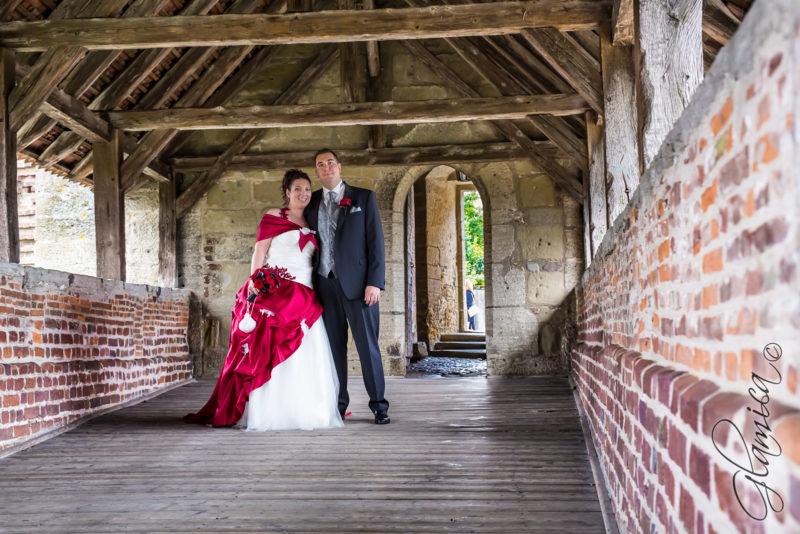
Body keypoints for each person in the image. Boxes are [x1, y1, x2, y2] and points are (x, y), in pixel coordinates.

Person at [185, 170, 342, 430]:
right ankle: (267, 410)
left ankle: (304, 409)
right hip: (274, 290)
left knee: (307, 352)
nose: (303, 194)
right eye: (298, 189)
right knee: (265, 347)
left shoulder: (314, 219)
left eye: (307, 189)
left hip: (304, 294)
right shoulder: (273, 216)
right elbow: (260, 250)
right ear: (287, 192)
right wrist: (255, 284)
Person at [304, 149, 390, 424]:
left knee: (368, 348)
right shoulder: (311, 202)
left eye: (330, 162)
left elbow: (376, 244)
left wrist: (374, 282)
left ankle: (379, 405)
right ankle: (338, 406)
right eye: (320, 165)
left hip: (359, 287)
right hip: (324, 284)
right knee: (333, 349)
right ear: (317, 172)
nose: (326, 167)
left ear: (339, 167)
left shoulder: (363, 198)